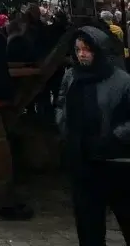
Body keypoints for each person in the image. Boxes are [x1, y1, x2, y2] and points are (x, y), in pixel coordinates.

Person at [56, 26, 130, 245]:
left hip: (114, 162)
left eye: (87, 49)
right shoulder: (71, 76)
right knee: (88, 225)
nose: (82, 54)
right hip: (82, 160)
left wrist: (114, 137)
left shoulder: (121, 81)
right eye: (78, 49)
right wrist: (63, 125)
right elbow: (61, 103)